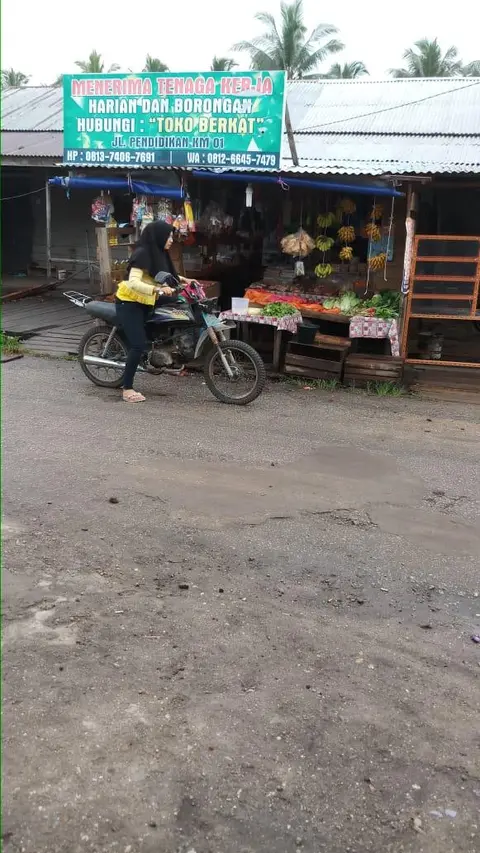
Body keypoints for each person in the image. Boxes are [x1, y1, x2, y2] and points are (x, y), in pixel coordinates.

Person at [115, 220, 190, 403]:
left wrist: (185, 280)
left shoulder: (159, 253)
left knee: (175, 304)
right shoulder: (141, 254)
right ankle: (127, 389)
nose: (171, 240)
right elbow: (133, 282)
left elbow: (162, 275)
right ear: (158, 236)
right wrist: (157, 290)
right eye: (169, 236)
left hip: (147, 300)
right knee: (138, 345)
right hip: (130, 302)